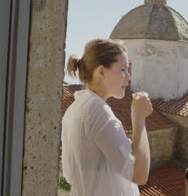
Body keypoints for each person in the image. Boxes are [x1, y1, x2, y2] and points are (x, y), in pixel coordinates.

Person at [61, 38, 153, 196]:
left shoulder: (76, 108)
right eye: (123, 69)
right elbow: (139, 175)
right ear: (102, 71)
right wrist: (138, 116)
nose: (128, 77)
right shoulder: (97, 112)